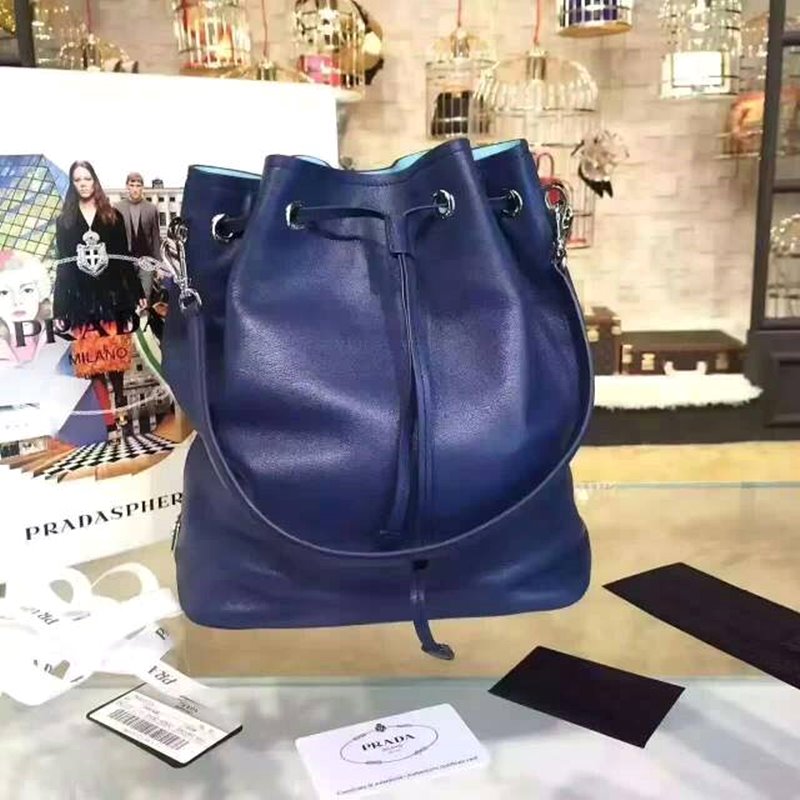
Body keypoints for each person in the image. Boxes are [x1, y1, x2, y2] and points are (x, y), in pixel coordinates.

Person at [53, 160, 144, 439]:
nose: (83, 184)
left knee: (115, 362)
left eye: (87, 178)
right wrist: (59, 308)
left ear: (95, 181)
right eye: (78, 179)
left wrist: (138, 293)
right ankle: (108, 423)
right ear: (73, 184)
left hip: (112, 298)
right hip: (81, 303)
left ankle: (122, 413)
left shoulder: (112, 216)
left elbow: (124, 258)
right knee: (93, 365)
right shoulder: (65, 222)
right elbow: (63, 266)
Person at [0, 249, 52, 367]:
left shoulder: (61, 334)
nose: (17, 302)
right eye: (4, 293)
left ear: (40, 292)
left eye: (27, 290)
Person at [114, 171, 162, 297]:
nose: (135, 189)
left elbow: (155, 238)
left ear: (142, 187)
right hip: (125, 260)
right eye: (132, 185)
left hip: (146, 260)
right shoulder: (117, 208)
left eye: (138, 185)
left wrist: (158, 265)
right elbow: (113, 238)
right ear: (127, 187)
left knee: (145, 297)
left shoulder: (151, 209)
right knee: (127, 298)